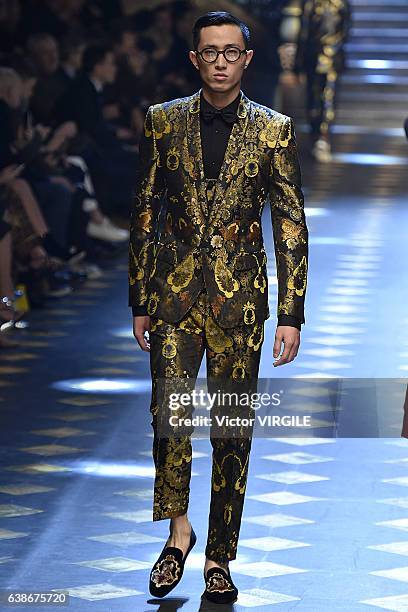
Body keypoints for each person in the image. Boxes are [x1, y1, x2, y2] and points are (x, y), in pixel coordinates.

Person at [128, 10, 309, 604]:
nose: (222, 61)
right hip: (174, 299)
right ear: (195, 59)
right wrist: (140, 298)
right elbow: (146, 212)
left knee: (231, 433)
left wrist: (291, 313)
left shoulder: (273, 130)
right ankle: (179, 533)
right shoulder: (162, 122)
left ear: (247, 59)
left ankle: (220, 557)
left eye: (232, 51)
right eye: (211, 51)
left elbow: (289, 223)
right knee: (170, 419)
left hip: (241, 302)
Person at [294, 0, 351, 161]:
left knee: (322, 97)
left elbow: (305, 31)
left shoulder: (323, 4)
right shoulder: (332, 3)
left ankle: (320, 137)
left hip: (321, 55)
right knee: (322, 97)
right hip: (321, 55)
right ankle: (320, 137)